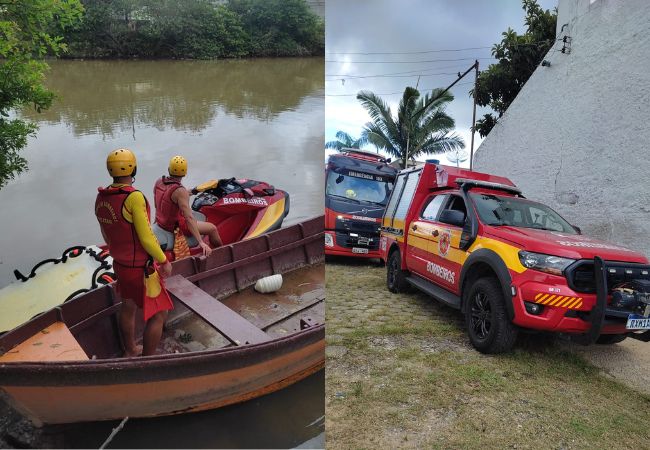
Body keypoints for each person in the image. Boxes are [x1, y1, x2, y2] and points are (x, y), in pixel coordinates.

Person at [95, 148, 172, 357]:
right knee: (159, 314)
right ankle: (148, 361)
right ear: (134, 168)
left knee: (127, 306)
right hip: (140, 268)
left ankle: (130, 350)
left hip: (120, 264)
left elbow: (106, 233)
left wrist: (119, 252)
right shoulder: (134, 197)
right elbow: (147, 237)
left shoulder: (102, 197)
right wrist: (163, 260)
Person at [153, 155, 222, 257]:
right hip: (176, 227)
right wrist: (201, 242)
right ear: (185, 173)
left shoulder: (159, 182)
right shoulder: (180, 191)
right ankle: (221, 253)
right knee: (212, 229)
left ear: (169, 169)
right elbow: (189, 218)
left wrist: (194, 191)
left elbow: (162, 201)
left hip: (161, 222)